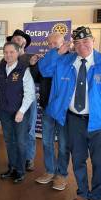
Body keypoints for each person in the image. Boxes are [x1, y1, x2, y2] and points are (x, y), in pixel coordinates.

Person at [38, 26, 101, 200]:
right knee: (78, 160)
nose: (82, 46)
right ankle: (82, 194)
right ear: (73, 45)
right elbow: (44, 69)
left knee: (99, 162)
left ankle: (96, 198)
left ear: (93, 41)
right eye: (77, 43)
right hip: (74, 121)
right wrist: (57, 51)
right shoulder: (65, 61)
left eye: (85, 41)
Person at [0, 41, 35, 183]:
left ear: (17, 53)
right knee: (9, 141)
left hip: (20, 112)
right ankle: (12, 168)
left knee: (21, 142)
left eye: (11, 52)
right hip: (4, 111)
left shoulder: (23, 69)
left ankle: (20, 171)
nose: (8, 55)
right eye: (6, 52)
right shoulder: (0, 68)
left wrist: (21, 112)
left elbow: (30, 94)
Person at [34, 32, 70, 191]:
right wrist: (55, 53)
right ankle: (50, 171)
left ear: (64, 43)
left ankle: (61, 174)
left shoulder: (72, 59)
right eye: (50, 44)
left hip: (64, 109)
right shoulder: (48, 57)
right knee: (47, 142)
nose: (52, 46)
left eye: (56, 43)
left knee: (63, 144)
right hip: (47, 107)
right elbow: (43, 71)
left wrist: (56, 54)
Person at [6, 29, 38, 171]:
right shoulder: (8, 58)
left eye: (19, 39)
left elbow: (38, 77)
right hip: (11, 102)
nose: (16, 41)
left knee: (29, 130)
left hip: (28, 101)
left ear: (24, 42)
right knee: (14, 132)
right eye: (14, 39)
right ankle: (17, 159)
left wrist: (32, 65)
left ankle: (29, 158)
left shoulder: (32, 57)